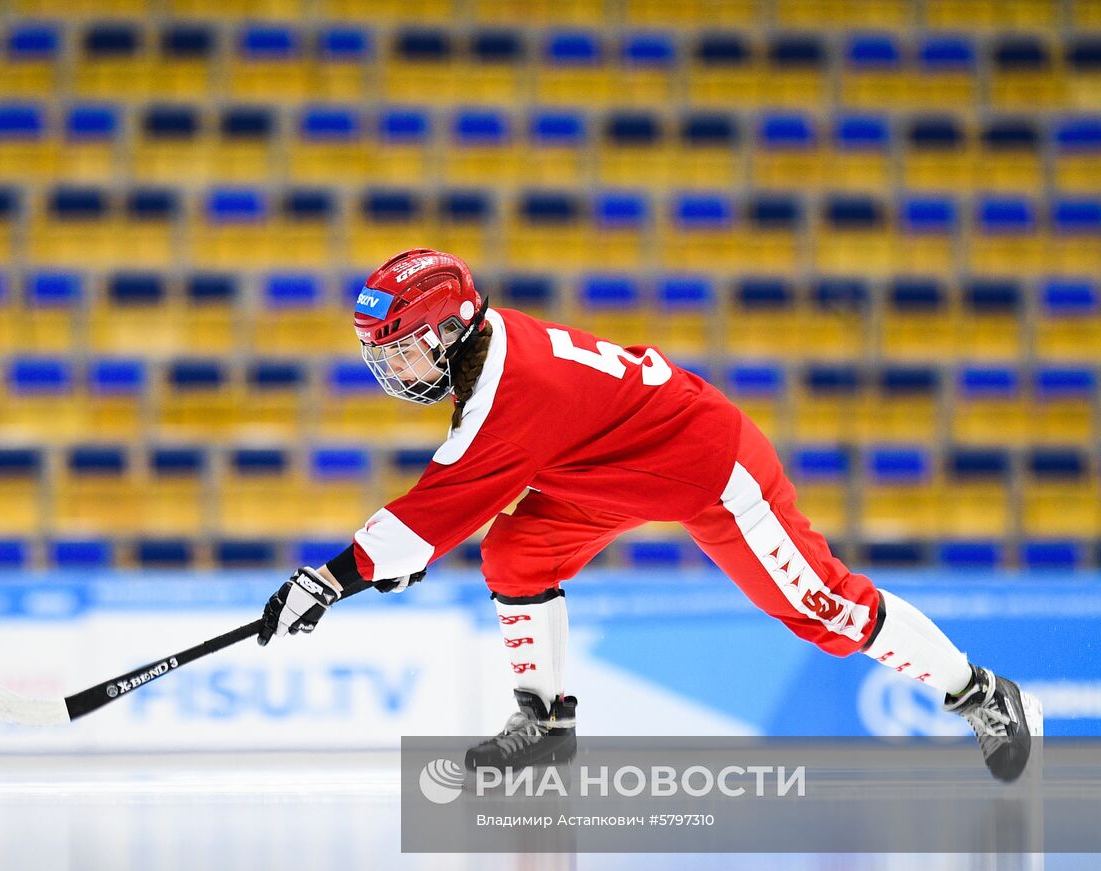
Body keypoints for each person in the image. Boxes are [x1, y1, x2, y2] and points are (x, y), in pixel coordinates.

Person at [257, 248, 1043, 782]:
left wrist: (328, 581)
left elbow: (429, 513)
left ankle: (979, 691)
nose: (393, 370)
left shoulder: (510, 391)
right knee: (518, 554)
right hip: (606, 469)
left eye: (401, 350)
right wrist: (385, 564)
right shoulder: (488, 353)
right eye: (383, 355)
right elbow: (445, 510)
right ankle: (546, 720)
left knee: (822, 609)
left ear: (451, 327)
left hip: (702, 467)